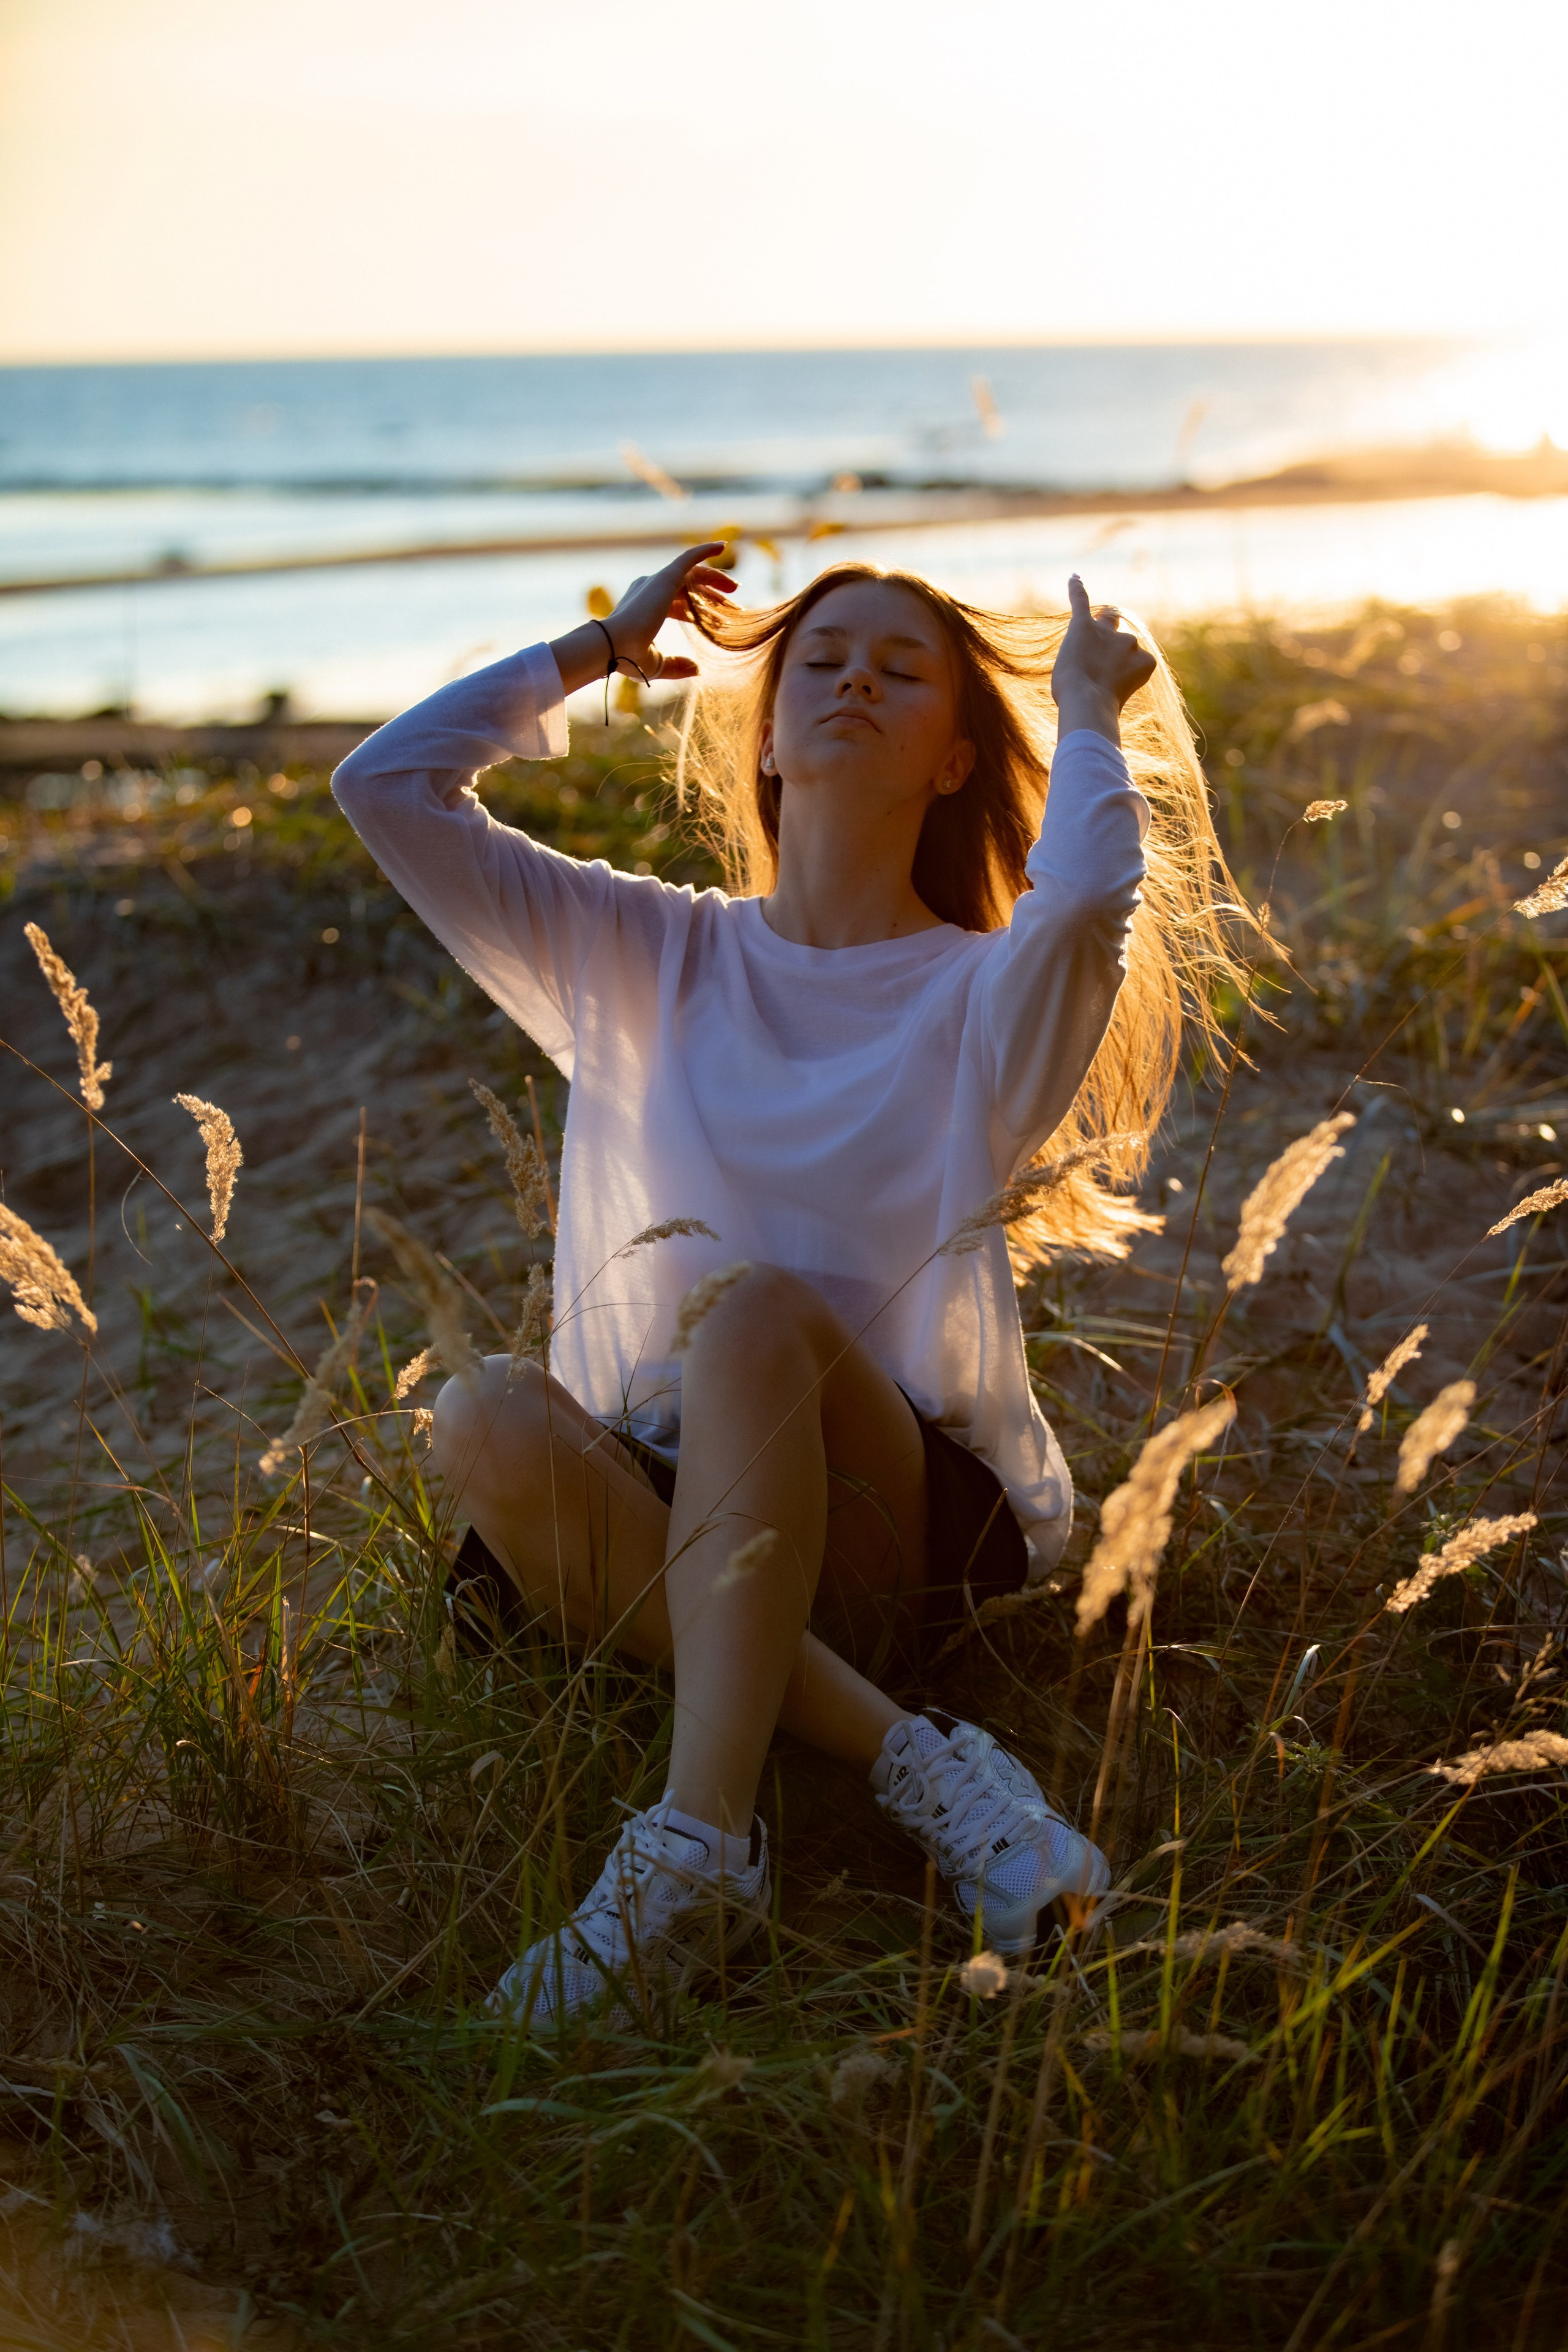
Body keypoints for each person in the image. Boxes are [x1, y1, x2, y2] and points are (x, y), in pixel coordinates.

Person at [331, 547, 1238, 2029]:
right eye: (819, 661)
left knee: (749, 1313)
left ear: (953, 761)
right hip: (673, 1484)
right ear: (764, 735)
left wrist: (1086, 712)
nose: (852, 679)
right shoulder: (646, 950)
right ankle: (913, 1761)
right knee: (486, 1410)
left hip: (889, 1505)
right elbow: (384, 789)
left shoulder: (980, 993)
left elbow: (1082, 908)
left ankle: (694, 1840)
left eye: (897, 668)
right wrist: (593, 650)